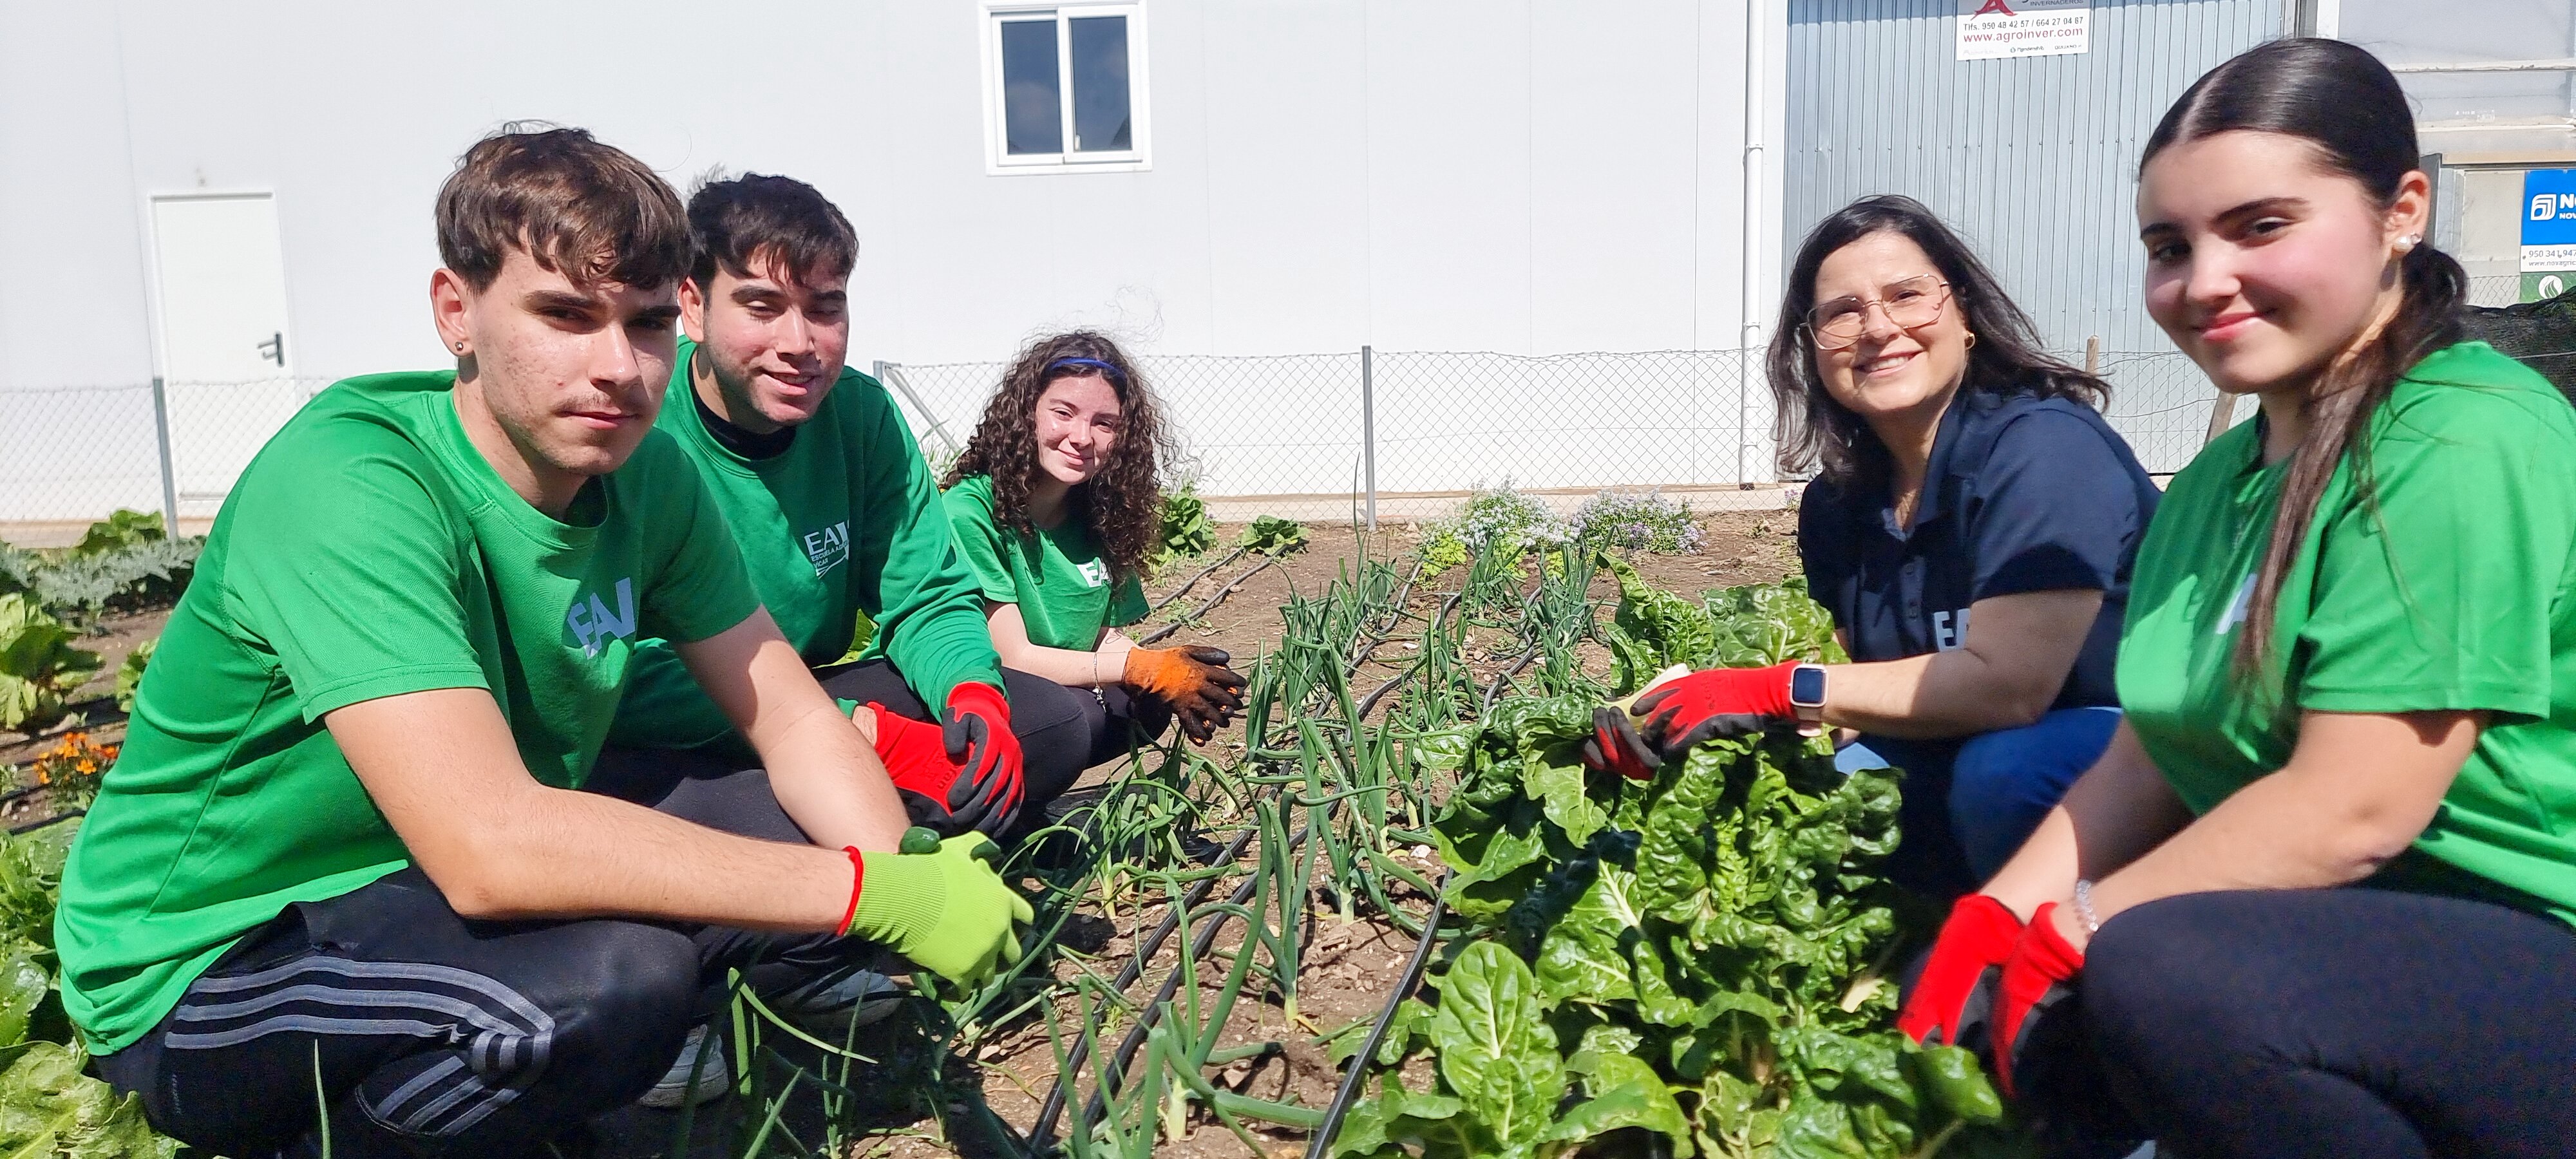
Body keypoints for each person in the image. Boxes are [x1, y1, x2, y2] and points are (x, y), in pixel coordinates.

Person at [55, 128, 1030, 1158]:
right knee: (619, 983)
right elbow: (489, 848)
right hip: (218, 963)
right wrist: (865, 896)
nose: (617, 367)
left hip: (409, 891)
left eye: (648, 324)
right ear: (455, 313)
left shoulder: (649, 480)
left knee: (814, 821)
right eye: (566, 315)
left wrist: (903, 866)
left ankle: (538, 1096)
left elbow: (788, 716)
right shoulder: (353, 483)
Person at [1900, 39, 2576, 1157]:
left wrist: (2079, 930)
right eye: (2170, 247)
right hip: (2364, 938)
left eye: (2262, 227)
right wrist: (1996, 922)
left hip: (2530, 935)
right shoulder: (2221, 478)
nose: (2204, 280)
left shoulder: (2457, 437)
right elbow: (2155, 753)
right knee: (2027, 998)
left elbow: (2353, 810)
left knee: (2161, 975)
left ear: (2402, 211)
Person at [1587, 194, 2160, 899]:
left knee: (2005, 770)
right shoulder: (1836, 504)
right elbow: (1866, 697)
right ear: (1812, 346)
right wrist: (1672, 732)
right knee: (1829, 796)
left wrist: (1775, 690)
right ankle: (1925, 946)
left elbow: (2009, 689)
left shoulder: (2042, 451)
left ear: (1966, 315)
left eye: (1907, 296)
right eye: (1843, 312)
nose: (1879, 328)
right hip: (1968, 744)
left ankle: (2073, 971)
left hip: (2134, 750)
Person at [601, 173, 1090, 842]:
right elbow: (617, 671)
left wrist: (970, 691)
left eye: (825, 308)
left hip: (808, 687)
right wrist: (865, 733)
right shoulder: (635, 430)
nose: (799, 342)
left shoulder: (858, 414)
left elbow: (924, 594)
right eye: (762, 307)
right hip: (675, 721)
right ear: (692, 304)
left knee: (1056, 724)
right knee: (786, 813)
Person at [941, 332, 1246, 764]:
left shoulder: (1099, 515)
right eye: (1063, 413)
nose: (1082, 437)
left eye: (1104, 423)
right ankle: (993, 810)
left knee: (1143, 702)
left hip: (1041, 690)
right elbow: (1012, 657)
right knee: (1071, 715)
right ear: (1026, 412)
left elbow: (1097, 637)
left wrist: (1164, 669)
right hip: (966, 692)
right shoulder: (970, 511)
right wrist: (1140, 668)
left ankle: (1030, 803)